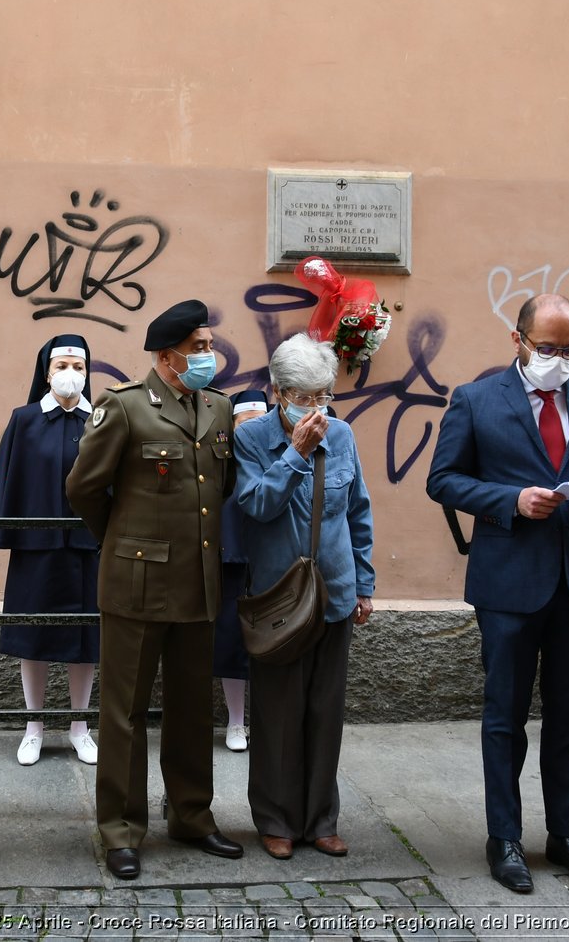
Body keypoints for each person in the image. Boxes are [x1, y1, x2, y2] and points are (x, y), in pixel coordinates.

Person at [426, 293, 569, 895]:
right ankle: (505, 837)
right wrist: (510, 501)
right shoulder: (475, 399)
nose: (560, 360)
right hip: (509, 583)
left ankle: (566, 835)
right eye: (548, 348)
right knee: (506, 718)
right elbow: (442, 480)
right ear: (516, 340)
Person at [64, 298, 244, 881]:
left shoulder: (218, 409)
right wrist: (118, 541)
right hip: (136, 582)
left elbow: (222, 488)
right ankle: (121, 828)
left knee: (194, 709)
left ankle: (192, 815)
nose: (208, 356)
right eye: (199, 348)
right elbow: (84, 489)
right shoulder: (123, 407)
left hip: (197, 582)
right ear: (168, 356)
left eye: (208, 346)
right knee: (125, 713)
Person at [233, 335, 375, 860]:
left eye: (323, 396)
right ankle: (275, 819)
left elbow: (357, 511)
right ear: (278, 391)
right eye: (305, 396)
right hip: (278, 601)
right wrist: (296, 452)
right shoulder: (253, 439)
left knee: (324, 713)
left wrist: (364, 583)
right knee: (276, 715)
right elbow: (257, 505)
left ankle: (321, 818)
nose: (315, 408)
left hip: (334, 594)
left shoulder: (343, 435)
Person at [0, 334, 100, 767]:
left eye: (79, 366)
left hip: (88, 546)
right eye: (61, 366)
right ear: (46, 372)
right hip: (36, 547)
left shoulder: (103, 418)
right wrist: (5, 533)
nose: (70, 375)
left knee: (85, 637)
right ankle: (33, 725)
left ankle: (79, 726)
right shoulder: (25, 419)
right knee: (33, 635)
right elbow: (9, 478)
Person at [215, 389, 269, 752]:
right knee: (230, 643)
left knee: (272, 645)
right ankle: (236, 722)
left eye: (257, 422)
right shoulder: (220, 464)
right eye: (242, 423)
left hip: (272, 564)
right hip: (229, 563)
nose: (250, 429)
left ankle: (267, 721)